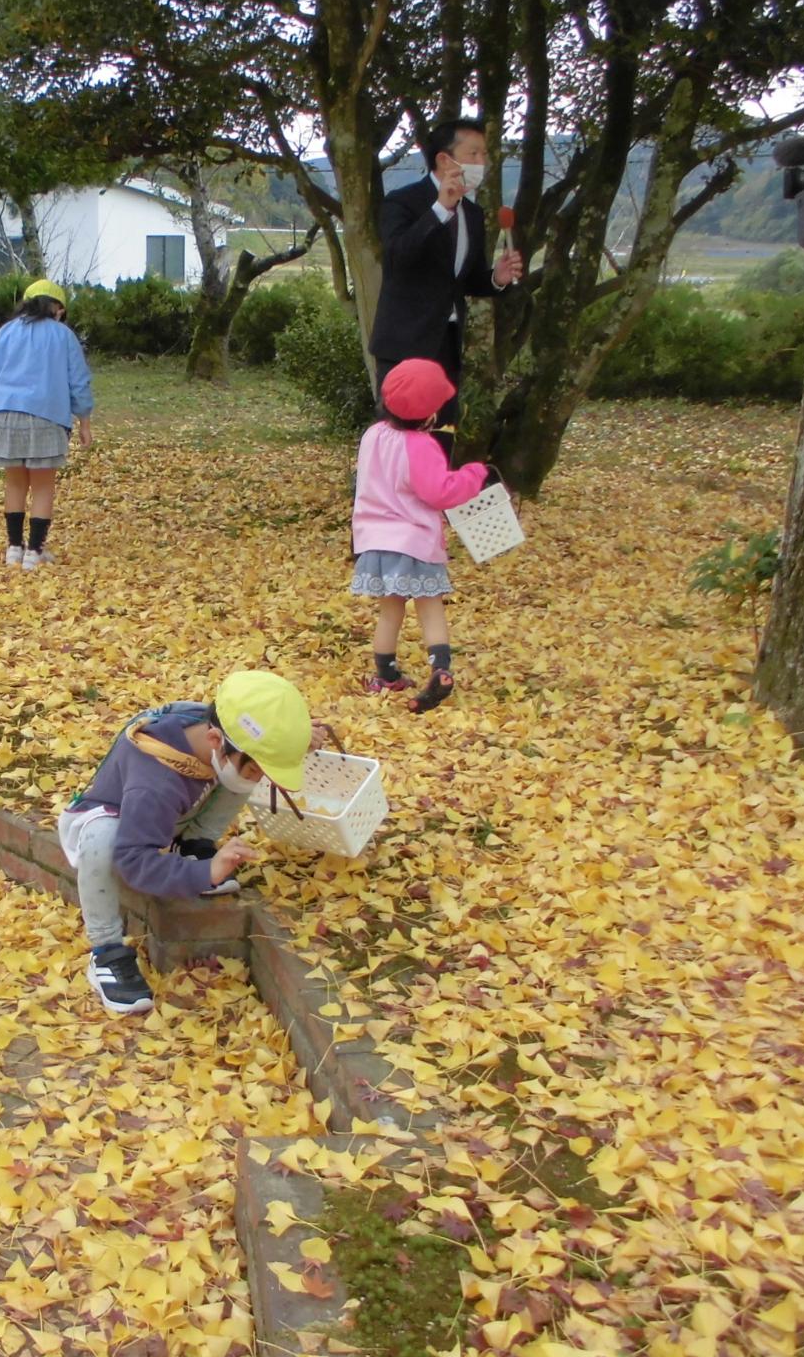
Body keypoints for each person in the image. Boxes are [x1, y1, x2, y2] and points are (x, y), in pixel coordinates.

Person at [59, 671, 316, 1015]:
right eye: (258, 770)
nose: (261, 779)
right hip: (120, 828)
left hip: (167, 815)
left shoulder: (210, 727)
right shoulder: (156, 783)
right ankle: (106, 953)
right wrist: (206, 873)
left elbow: (253, 744)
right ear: (214, 739)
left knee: (237, 777)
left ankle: (192, 843)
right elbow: (133, 862)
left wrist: (288, 749)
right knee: (102, 843)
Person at [350, 358, 501, 713]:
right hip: (414, 543)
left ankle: (386, 675)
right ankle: (441, 670)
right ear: (430, 415)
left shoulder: (372, 436)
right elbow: (440, 492)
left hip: (376, 541)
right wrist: (475, 474)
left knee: (390, 612)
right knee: (430, 609)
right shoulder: (420, 446)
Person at [370, 118, 526, 434]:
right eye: (474, 154)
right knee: (398, 439)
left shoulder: (473, 214)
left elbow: (464, 281)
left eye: (485, 155)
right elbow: (398, 257)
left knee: (441, 435)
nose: (482, 163)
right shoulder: (403, 202)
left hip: (447, 343)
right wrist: (441, 209)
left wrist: (497, 277)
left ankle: (436, 484)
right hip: (404, 343)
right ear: (444, 159)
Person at [0, 278, 94, 570]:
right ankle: (35, 552)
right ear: (57, 308)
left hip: (5, 415)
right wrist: (84, 422)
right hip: (46, 416)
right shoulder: (63, 336)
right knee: (42, 486)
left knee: (14, 482)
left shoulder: (6, 332)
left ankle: (14, 548)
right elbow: (79, 382)